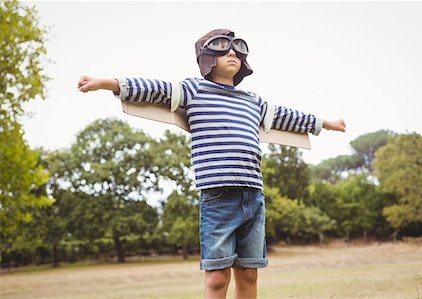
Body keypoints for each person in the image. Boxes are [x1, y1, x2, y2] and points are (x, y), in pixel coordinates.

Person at [78, 28, 346, 299]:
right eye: (222, 47)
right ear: (207, 57)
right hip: (218, 197)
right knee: (217, 277)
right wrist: (105, 83)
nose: (231, 52)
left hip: (253, 196)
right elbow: (154, 89)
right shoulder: (194, 90)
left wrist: (325, 124)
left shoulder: (253, 102)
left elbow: (288, 117)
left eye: (237, 48)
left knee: (249, 273)